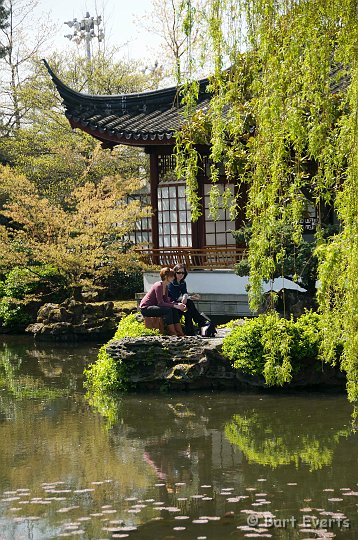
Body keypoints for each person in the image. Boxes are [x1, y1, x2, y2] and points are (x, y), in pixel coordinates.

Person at [139, 267, 186, 336]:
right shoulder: (158, 285)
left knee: (174, 309)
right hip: (146, 308)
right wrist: (175, 305)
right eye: (171, 276)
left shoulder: (166, 286)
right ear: (166, 276)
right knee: (168, 310)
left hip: (155, 306)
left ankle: (180, 332)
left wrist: (177, 304)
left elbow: (166, 301)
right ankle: (173, 333)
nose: (173, 278)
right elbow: (160, 303)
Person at [168, 264, 208, 336]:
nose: (181, 275)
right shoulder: (171, 283)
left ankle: (191, 330)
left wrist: (186, 296)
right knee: (189, 303)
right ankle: (200, 322)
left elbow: (184, 292)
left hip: (181, 303)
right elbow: (174, 297)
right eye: (178, 273)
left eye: (183, 273)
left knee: (189, 310)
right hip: (172, 304)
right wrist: (188, 297)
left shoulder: (183, 282)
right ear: (175, 273)